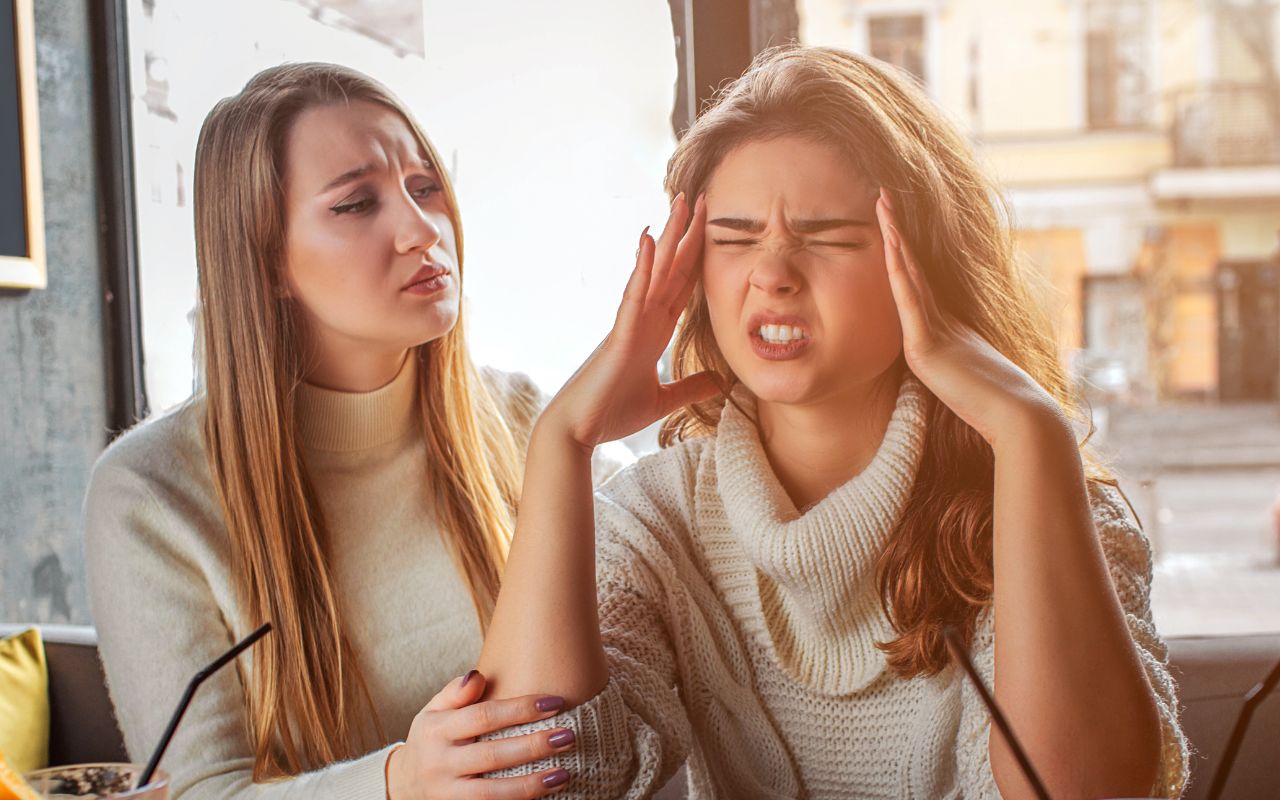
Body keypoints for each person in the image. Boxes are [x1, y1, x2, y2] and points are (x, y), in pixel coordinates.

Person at [475, 46, 1189, 798]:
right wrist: (562, 443)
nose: (773, 272)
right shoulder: (656, 521)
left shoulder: (1042, 493)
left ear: (926, 267)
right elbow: (534, 780)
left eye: (830, 236)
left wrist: (1031, 435)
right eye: (736, 238)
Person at [85, 63, 589, 799]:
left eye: (425, 188)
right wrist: (399, 782)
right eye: (357, 204)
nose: (423, 231)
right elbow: (198, 791)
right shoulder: (150, 496)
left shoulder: (526, 424)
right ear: (266, 262)